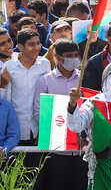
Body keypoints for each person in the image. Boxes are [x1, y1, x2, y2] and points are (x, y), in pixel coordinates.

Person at [33, 38, 88, 189]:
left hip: (81, 150)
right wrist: (66, 134)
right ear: (57, 57)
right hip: (57, 151)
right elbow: (40, 115)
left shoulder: (84, 80)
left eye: (75, 55)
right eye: (69, 55)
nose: (73, 59)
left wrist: (82, 136)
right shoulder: (44, 82)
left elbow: (90, 111)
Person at [1, 28, 50, 147]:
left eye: (38, 43)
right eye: (31, 44)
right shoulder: (9, 66)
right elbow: (6, 98)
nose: (37, 47)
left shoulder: (45, 64)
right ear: (20, 47)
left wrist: (44, 130)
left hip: (38, 130)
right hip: (15, 130)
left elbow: (47, 98)